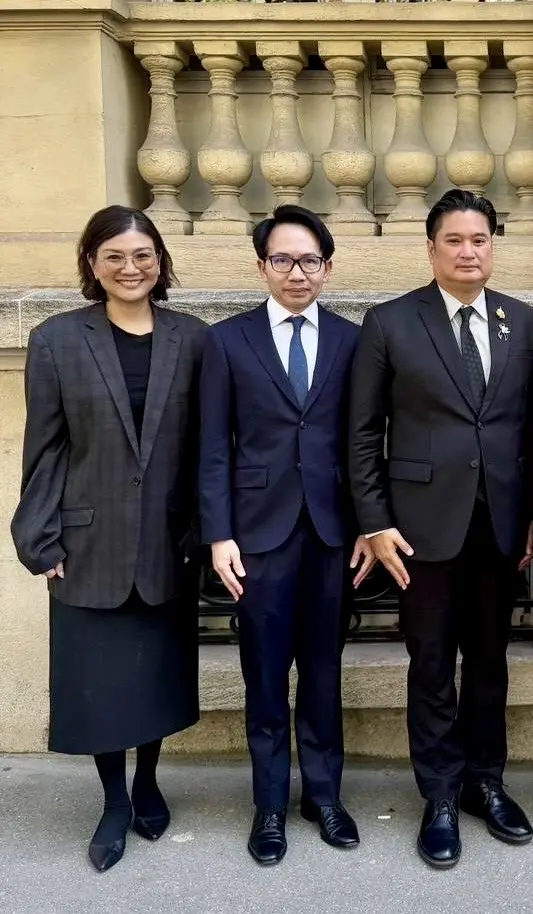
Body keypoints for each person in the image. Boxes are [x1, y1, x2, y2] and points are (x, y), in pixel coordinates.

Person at [348, 189, 533, 869]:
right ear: (431, 248)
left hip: (499, 526)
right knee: (431, 664)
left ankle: (485, 783)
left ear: (493, 246)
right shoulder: (390, 322)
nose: (468, 252)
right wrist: (375, 521)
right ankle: (438, 794)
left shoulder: (523, 322)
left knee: (491, 662)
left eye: (479, 239)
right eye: (454, 241)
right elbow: (362, 432)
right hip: (420, 530)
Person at [10, 205, 207, 872]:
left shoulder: (193, 338)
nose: (131, 267)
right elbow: (45, 448)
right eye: (115, 256)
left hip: (168, 542)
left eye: (143, 255)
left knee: (154, 675)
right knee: (99, 680)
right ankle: (115, 801)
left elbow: (206, 447)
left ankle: (148, 781)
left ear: (160, 261)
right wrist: (41, 539)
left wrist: (204, 532)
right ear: (92, 264)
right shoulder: (57, 340)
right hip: (86, 542)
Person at [198, 204, 372, 865]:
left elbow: (365, 443)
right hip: (257, 537)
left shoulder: (353, 341)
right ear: (261, 266)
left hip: (332, 534)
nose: (296, 272)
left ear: (327, 268)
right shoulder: (227, 341)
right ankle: (269, 804)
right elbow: (213, 446)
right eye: (282, 260)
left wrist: (368, 525)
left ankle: (323, 797)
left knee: (324, 673)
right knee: (265, 678)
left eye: (309, 261)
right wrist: (219, 534)